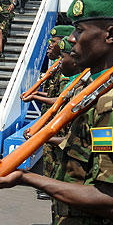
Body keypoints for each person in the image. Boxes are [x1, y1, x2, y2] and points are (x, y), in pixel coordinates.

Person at [0, 0, 113, 225]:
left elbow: (110, 201)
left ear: (111, 35)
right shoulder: (97, 90)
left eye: (80, 30)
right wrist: (49, 140)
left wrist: (26, 177)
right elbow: (91, 149)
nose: (71, 39)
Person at [22, 25, 73, 201]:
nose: (49, 45)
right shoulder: (58, 66)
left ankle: (53, 187)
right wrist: (35, 94)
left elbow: (61, 100)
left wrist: (36, 96)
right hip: (49, 118)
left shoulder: (67, 71)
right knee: (49, 154)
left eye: (53, 42)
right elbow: (53, 95)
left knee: (56, 156)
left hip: (58, 121)